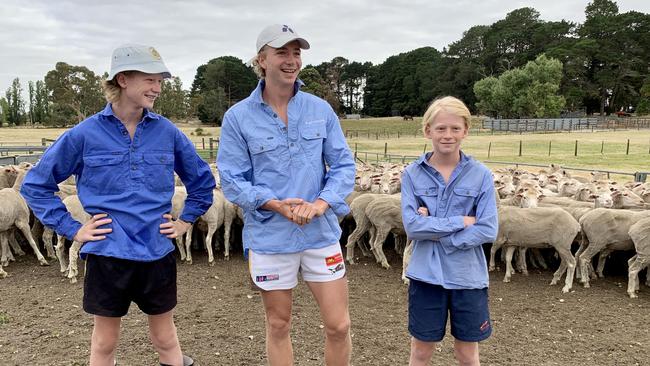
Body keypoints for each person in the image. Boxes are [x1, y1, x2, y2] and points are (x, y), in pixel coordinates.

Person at [21, 44, 215, 366]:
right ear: (123, 79)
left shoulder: (167, 132)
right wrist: (72, 228)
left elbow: (202, 181)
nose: (157, 88)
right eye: (150, 79)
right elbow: (35, 185)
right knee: (104, 343)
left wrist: (186, 220)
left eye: (161, 81)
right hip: (108, 252)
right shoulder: (83, 134)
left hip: (157, 250)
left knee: (165, 337)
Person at [217, 24, 356, 366]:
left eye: (296, 53)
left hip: (319, 233)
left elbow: (342, 165)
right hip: (270, 236)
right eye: (282, 53)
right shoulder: (238, 118)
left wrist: (321, 203)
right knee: (278, 323)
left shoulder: (319, 110)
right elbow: (232, 179)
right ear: (261, 59)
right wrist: (273, 204)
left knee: (339, 325)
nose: (291, 60)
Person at [400, 96, 498, 366]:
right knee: (421, 351)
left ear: (466, 131)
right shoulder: (411, 174)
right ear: (427, 130)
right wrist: (460, 221)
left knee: (467, 353)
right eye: (441, 128)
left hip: (468, 277)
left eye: (455, 128)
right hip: (425, 276)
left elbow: (488, 228)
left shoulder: (481, 175)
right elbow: (412, 226)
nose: (448, 135)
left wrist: (436, 231)